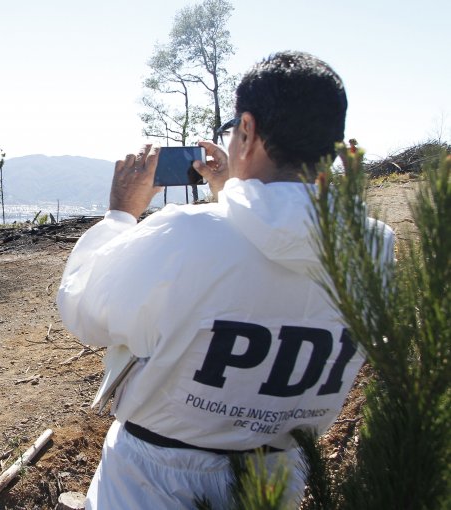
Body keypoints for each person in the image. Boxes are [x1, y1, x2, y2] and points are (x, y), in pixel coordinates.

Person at [56, 51, 395, 509]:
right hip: (276, 481)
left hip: (151, 483)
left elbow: (84, 310)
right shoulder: (376, 249)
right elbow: (270, 248)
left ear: (249, 130)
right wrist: (234, 196)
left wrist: (120, 213)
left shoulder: (184, 233)